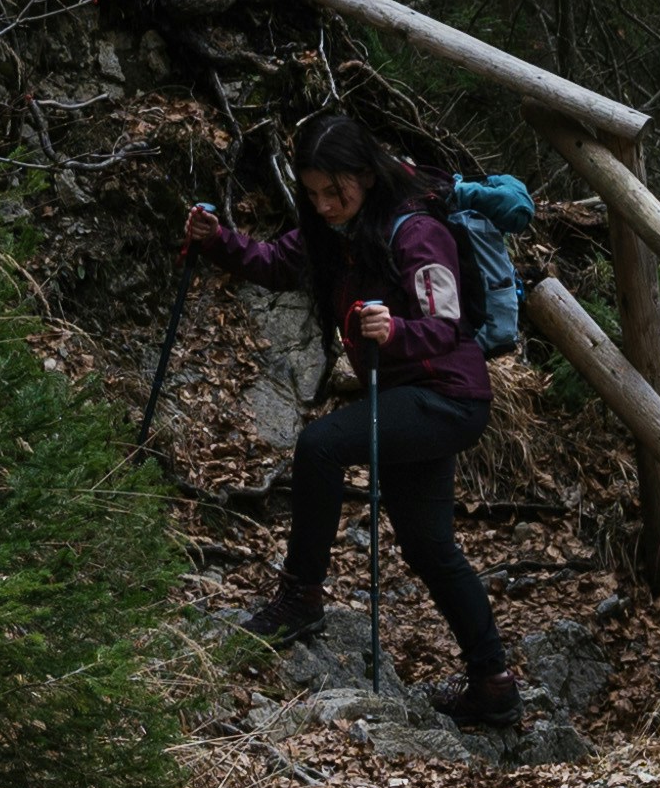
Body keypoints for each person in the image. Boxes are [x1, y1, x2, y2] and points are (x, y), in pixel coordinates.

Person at [184, 114, 517, 725]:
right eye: (312, 193)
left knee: (319, 446)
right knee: (428, 546)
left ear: (366, 175)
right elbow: (274, 261)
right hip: (409, 398)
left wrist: (393, 332)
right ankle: (493, 686)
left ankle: (301, 596)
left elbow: (444, 327)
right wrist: (214, 240)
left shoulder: (416, 232)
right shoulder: (333, 229)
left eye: (335, 191)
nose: (324, 204)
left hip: (447, 395)